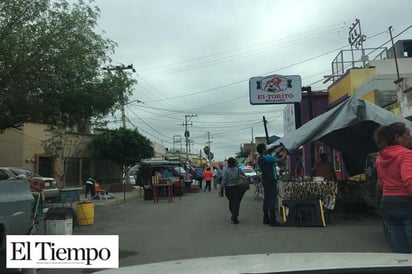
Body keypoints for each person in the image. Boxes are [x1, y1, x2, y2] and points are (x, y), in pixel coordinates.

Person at [374, 122, 412, 253]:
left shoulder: (380, 157)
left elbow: (381, 183)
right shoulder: (406, 154)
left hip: (388, 204)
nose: (410, 137)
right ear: (398, 137)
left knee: (401, 253)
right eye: (407, 134)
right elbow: (409, 181)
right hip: (407, 204)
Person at [257, 143, 287, 226]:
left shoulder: (260, 158)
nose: (267, 149)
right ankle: (273, 220)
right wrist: (285, 152)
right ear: (263, 150)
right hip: (271, 180)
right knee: (272, 199)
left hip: (265, 179)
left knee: (267, 199)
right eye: (266, 148)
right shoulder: (267, 157)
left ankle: (266, 218)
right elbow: (280, 160)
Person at [220, 157, 246, 224]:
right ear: (234, 163)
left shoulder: (226, 171)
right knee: (236, 203)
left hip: (229, 189)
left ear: (228, 163)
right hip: (237, 188)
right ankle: (235, 215)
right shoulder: (238, 170)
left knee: (231, 202)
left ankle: (234, 214)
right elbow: (244, 175)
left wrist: (221, 188)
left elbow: (224, 180)